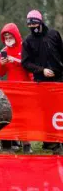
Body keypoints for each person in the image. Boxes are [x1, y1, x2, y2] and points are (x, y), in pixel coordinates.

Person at [22, 10, 63, 154]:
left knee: (59, 111)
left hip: (59, 79)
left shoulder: (54, 34)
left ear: (40, 21)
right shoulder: (28, 41)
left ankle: (59, 139)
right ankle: (50, 142)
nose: (32, 26)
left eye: (34, 22)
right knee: (47, 112)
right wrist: (41, 70)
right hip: (42, 81)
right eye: (29, 24)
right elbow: (25, 63)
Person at [0, 23, 32, 153]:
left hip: (25, 87)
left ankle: (26, 144)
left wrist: (16, 61)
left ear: (16, 35)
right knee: (10, 116)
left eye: (10, 35)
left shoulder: (25, 48)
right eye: (5, 36)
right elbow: (0, 73)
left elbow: (30, 67)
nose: (8, 37)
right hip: (11, 89)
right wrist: (1, 64)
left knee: (24, 117)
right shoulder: (3, 51)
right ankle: (8, 142)